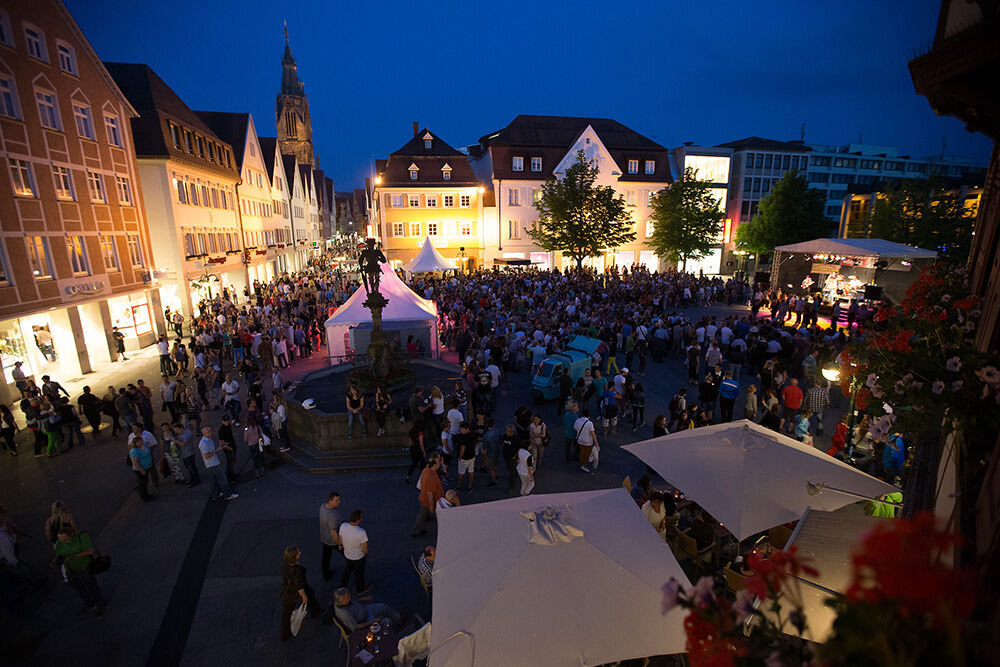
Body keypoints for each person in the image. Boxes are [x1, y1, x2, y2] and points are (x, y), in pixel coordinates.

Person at [55, 526, 107, 618]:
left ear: (71, 535)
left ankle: (101, 604)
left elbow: (90, 551)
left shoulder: (82, 537)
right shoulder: (59, 543)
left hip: (84, 568)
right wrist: (56, 560)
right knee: (80, 590)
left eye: (65, 539)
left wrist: (73, 556)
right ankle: (90, 605)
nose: (63, 541)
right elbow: (59, 554)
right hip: (71, 571)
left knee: (91, 587)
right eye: (60, 539)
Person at [279, 545, 323, 641]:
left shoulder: (285, 566)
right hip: (295, 592)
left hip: (287, 591)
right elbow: (299, 586)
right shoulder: (297, 571)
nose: (300, 553)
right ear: (294, 557)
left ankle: (285, 634)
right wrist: (304, 596)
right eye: (298, 552)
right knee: (309, 596)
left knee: (286, 612)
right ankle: (315, 612)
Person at [332, 587, 401, 633]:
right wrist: (373, 621)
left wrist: (362, 599)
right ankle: (395, 630)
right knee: (384, 623)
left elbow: (352, 602)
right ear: (342, 601)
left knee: (384, 607)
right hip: (364, 620)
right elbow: (355, 627)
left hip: (365, 610)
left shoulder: (342, 602)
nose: (350, 597)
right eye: (347, 597)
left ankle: (398, 617)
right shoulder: (345, 614)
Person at [199, 426, 238, 501]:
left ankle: (215, 494)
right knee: (223, 478)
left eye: (211, 431)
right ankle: (227, 494)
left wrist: (220, 446)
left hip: (213, 463)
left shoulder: (209, 439)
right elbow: (206, 456)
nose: (211, 433)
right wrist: (217, 450)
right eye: (209, 432)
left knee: (214, 480)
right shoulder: (203, 444)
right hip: (213, 464)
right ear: (204, 433)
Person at [340, 510, 370, 594]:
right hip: (358, 557)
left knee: (348, 569)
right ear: (359, 519)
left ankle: (343, 586)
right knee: (359, 574)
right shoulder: (361, 532)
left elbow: (340, 539)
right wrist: (364, 554)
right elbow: (365, 549)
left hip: (348, 555)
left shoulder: (343, 526)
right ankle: (360, 590)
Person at [412, 456, 443, 536]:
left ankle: (427, 516)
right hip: (427, 501)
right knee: (422, 515)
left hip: (424, 497)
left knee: (423, 514)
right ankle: (415, 531)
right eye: (439, 461)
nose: (441, 462)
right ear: (435, 464)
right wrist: (431, 507)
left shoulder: (427, 469)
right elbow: (430, 493)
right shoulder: (431, 476)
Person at [319, 491, 342, 581]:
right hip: (332, 541)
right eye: (336, 500)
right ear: (330, 500)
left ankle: (326, 574)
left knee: (326, 557)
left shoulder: (322, 506)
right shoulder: (331, 516)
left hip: (324, 538)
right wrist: (339, 544)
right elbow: (333, 533)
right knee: (347, 554)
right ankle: (353, 566)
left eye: (339, 500)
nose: (339, 502)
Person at [171, 422, 200, 487]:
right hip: (184, 454)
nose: (176, 432)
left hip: (189, 453)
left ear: (181, 428)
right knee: (188, 467)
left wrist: (175, 440)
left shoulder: (186, 434)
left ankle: (196, 479)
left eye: (177, 430)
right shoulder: (181, 433)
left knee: (192, 467)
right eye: (175, 430)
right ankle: (192, 479)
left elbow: (183, 444)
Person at [129, 436, 155, 501]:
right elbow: (135, 462)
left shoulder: (144, 447)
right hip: (140, 469)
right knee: (142, 483)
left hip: (147, 467)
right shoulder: (134, 451)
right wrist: (141, 469)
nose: (141, 442)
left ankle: (145, 495)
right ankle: (144, 497)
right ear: (135, 443)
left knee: (145, 482)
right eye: (138, 442)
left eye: (141, 440)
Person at [574, 408, 597, 473]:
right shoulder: (590, 423)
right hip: (588, 442)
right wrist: (596, 442)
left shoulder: (578, 420)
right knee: (587, 453)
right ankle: (584, 465)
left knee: (582, 452)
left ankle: (581, 463)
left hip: (580, 440)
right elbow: (593, 434)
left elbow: (575, 428)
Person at [454, 421, 476, 491]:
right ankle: (470, 486)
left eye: (462, 429)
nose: (461, 430)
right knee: (471, 472)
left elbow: (462, 449)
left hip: (464, 458)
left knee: (461, 473)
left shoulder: (463, 438)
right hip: (472, 456)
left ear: (466, 429)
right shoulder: (473, 434)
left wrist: (460, 457)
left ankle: (458, 486)